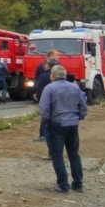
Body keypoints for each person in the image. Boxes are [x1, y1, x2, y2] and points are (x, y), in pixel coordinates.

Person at [39, 64, 88, 194]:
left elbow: (44, 110)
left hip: (56, 125)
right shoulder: (75, 88)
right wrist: (79, 118)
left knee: (57, 156)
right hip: (72, 125)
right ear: (65, 75)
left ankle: (63, 185)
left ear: (52, 76)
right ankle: (78, 184)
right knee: (74, 154)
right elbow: (83, 106)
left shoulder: (49, 89)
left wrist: (46, 123)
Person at [34, 53, 60, 142]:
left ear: (47, 65)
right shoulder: (60, 75)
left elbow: (39, 89)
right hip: (58, 101)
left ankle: (43, 135)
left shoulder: (43, 76)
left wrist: (37, 97)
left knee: (45, 118)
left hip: (46, 101)